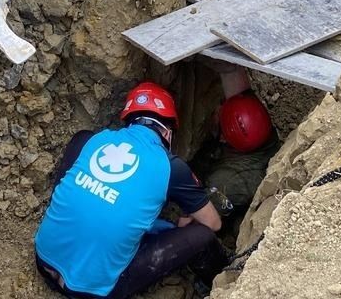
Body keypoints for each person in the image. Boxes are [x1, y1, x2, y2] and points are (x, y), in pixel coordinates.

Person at [33, 82, 228, 299]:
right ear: (167, 131)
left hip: (43, 259)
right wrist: (186, 214)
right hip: (92, 292)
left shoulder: (92, 140)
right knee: (202, 235)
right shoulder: (170, 167)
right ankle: (227, 281)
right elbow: (213, 223)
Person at [192, 64, 280, 226]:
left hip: (224, 211)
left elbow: (199, 222)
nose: (215, 110)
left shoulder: (225, 183)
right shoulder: (258, 129)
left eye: (217, 114)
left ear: (224, 138)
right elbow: (232, 74)